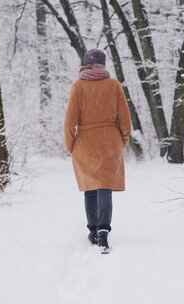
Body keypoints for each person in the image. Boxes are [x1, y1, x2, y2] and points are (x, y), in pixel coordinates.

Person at [64, 49, 132, 251]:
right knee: (105, 186)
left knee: (90, 186)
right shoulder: (114, 86)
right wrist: (122, 139)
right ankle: (103, 230)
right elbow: (125, 119)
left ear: (85, 64)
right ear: (103, 65)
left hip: (85, 142)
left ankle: (93, 230)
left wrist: (71, 145)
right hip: (110, 140)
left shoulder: (78, 87)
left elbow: (70, 121)